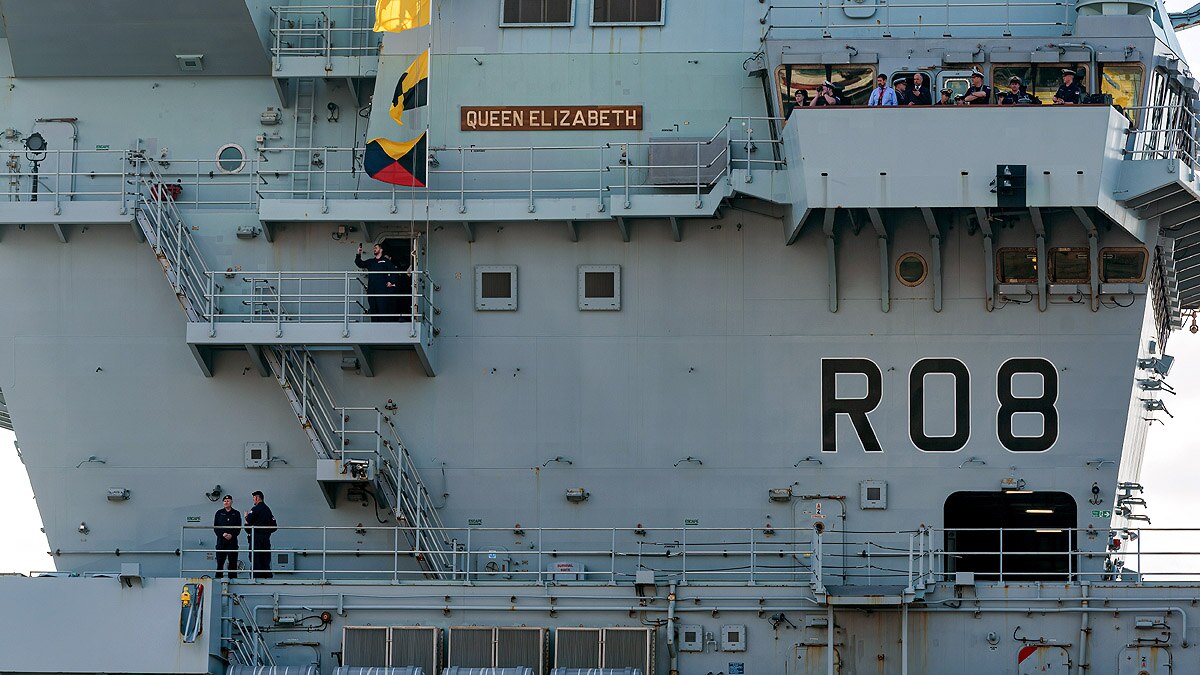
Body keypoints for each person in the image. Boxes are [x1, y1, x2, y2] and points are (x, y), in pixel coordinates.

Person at [355, 243, 400, 322]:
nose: (374, 249)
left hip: (382, 291)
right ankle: (374, 327)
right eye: (374, 248)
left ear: (381, 249)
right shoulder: (371, 262)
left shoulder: (386, 262)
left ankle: (382, 328)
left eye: (376, 248)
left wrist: (391, 282)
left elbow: (394, 272)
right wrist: (358, 253)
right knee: (373, 310)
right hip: (372, 290)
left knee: (382, 310)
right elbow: (359, 263)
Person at [244, 490, 277, 579]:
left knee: (255, 558)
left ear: (257, 498)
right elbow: (274, 526)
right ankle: (266, 576)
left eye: (254, 498)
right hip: (266, 539)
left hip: (256, 539)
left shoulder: (255, 509)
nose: (253, 500)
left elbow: (249, 522)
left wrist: (246, 517)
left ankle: (255, 577)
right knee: (265, 558)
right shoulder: (268, 510)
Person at [213, 495, 241, 579]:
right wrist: (223, 534)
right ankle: (218, 578)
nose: (226, 502)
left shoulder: (236, 513)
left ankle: (233, 579)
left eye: (228, 501)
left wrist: (231, 535)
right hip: (221, 541)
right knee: (220, 561)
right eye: (225, 501)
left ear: (231, 502)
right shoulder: (219, 513)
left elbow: (238, 527)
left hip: (232, 541)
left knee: (232, 561)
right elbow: (216, 527)